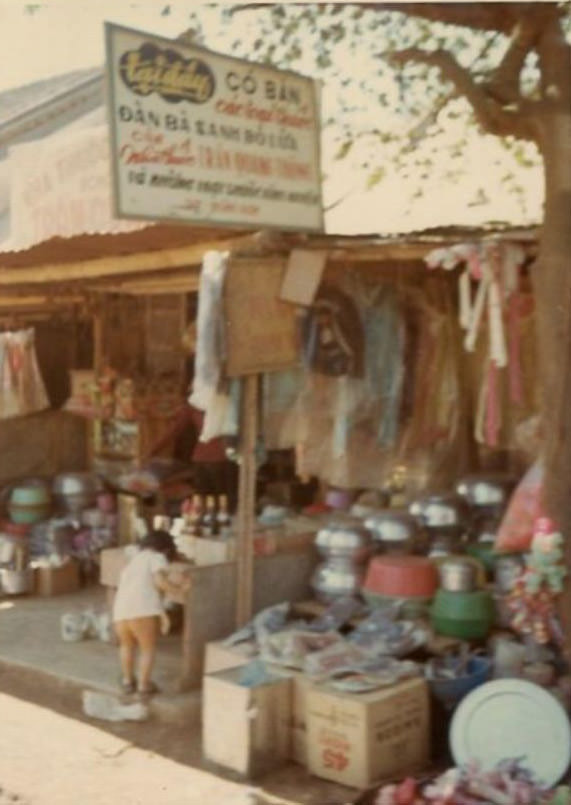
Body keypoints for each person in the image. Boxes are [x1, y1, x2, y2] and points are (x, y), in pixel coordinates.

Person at [112, 529, 188, 698]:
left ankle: (127, 681)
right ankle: (144, 686)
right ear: (166, 549)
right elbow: (160, 582)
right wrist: (180, 589)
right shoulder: (156, 557)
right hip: (142, 609)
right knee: (147, 649)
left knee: (126, 646)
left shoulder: (134, 560)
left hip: (121, 611)